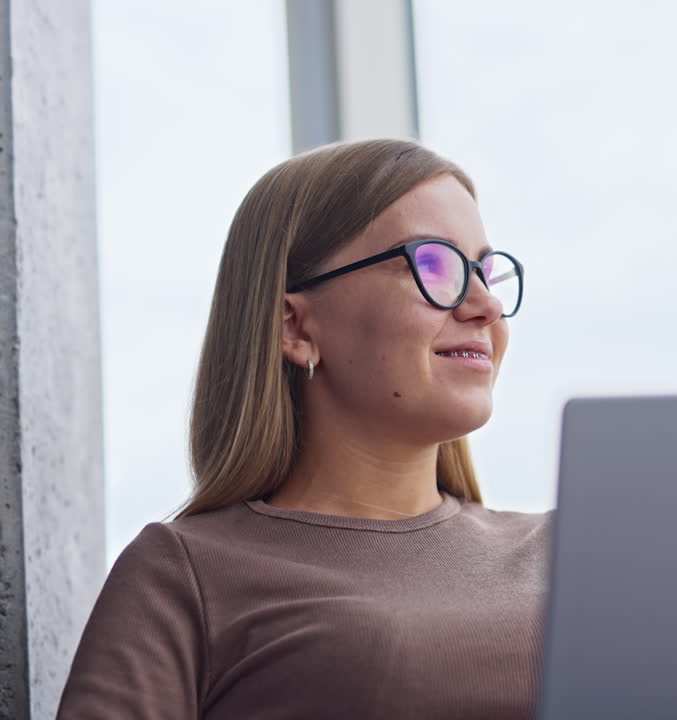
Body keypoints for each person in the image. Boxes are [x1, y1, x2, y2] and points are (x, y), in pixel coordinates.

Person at [57, 139, 549, 719]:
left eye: (484, 272)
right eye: (433, 265)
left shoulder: (566, 552)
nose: (485, 305)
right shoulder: (184, 575)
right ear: (294, 325)